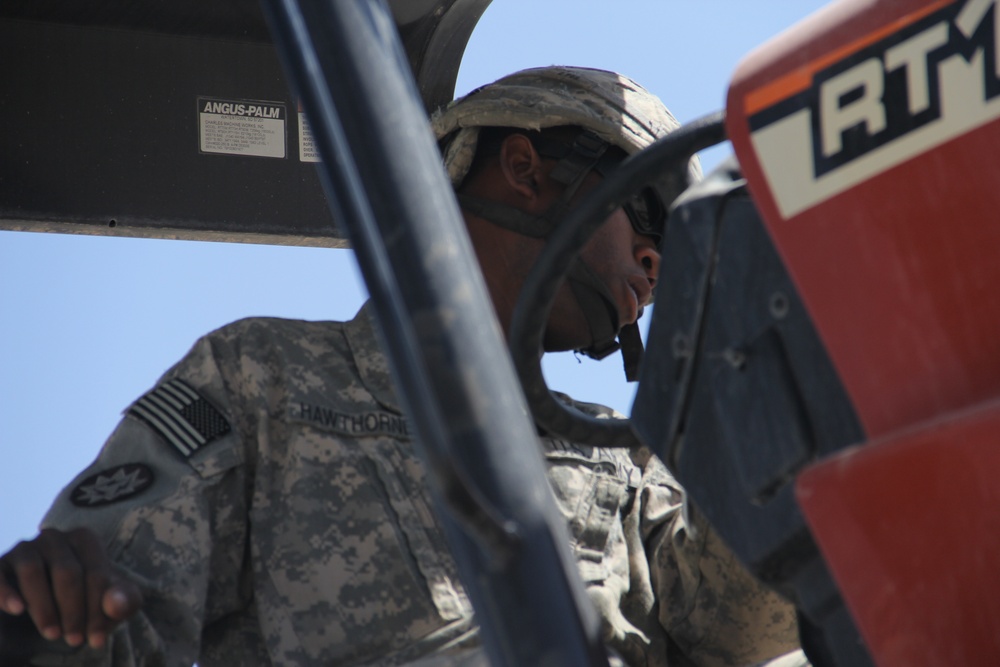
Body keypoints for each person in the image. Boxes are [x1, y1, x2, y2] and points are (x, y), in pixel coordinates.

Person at [0, 67, 806, 667]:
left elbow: (743, 623)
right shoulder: (262, 378)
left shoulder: (626, 459)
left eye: (671, 249)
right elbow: (117, 620)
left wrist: (795, 409)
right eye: (644, 215)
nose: (655, 261)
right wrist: (56, 602)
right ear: (526, 169)